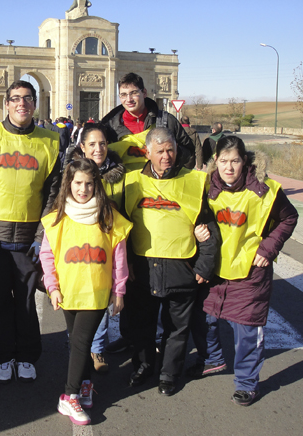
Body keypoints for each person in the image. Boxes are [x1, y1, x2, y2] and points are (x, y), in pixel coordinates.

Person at [191, 135, 298, 406]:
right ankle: (213, 359)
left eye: (235, 161)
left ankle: (247, 383)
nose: (229, 167)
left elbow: (289, 218)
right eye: (224, 161)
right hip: (215, 269)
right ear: (215, 161)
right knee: (205, 320)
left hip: (250, 271)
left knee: (247, 330)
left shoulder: (266, 190)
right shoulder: (203, 186)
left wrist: (268, 249)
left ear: (245, 161)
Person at [0, 79, 61, 383]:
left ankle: (27, 355)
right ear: (5, 104)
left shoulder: (50, 141)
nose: (23, 104)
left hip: (29, 240)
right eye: (16, 99)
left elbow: (53, 193)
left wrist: (40, 237)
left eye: (28, 98)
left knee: (26, 300)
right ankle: (3, 356)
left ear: (36, 104)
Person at [123, 127, 218, 396]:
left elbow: (209, 227)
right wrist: (125, 263)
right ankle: (142, 366)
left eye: (171, 150)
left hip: (182, 267)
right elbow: (121, 227)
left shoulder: (194, 181)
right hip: (142, 268)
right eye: (160, 151)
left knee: (176, 328)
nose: (166, 156)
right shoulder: (131, 182)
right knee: (142, 324)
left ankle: (169, 374)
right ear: (148, 152)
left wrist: (204, 265)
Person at [41, 158, 132, 425]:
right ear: (69, 184)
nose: (83, 189)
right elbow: (47, 256)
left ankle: (69, 397)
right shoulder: (58, 217)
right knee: (78, 343)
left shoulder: (108, 217)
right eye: (78, 183)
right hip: (68, 292)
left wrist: (120, 290)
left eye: (89, 184)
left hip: (96, 292)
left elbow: (119, 257)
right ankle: (84, 384)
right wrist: (52, 287)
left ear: (97, 185)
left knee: (82, 342)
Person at [66, 123, 126, 373]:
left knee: (103, 299)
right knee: (86, 304)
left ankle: (95, 349)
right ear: (82, 147)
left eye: (102, 144)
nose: (98, 149)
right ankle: (91, 350)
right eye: (92, 144)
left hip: (112, 244)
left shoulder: (121, 174)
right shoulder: (72, 172)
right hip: (78, 250)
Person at [101, 73, 194, 171]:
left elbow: (189, 153)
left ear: (144, 93)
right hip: (125, 185)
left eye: (134, 93)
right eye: (123, 95)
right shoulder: (109, 128)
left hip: (160, 184)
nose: (129, 99)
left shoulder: (166, 121)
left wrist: (169, 158)